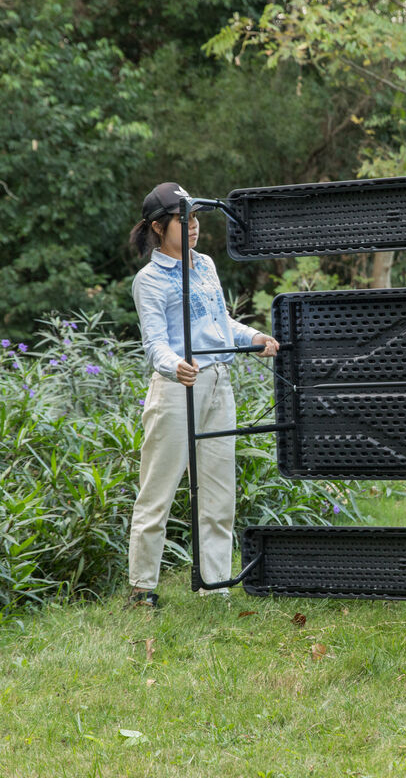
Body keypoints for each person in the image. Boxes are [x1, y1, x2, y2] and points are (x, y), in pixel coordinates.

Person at [127, 182, 279, 608]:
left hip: (217, 384)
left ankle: (215, 585)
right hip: (177, 388)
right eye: (183, 219)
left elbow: (220, 324)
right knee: (157, 490)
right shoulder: (149, 281)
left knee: (218, 490)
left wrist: (253, 337)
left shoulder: (206, 265)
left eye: (195, 218)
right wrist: (174, 364)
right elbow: (154, 342)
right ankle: (142, 589)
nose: (193, 227)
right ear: (159, 227)